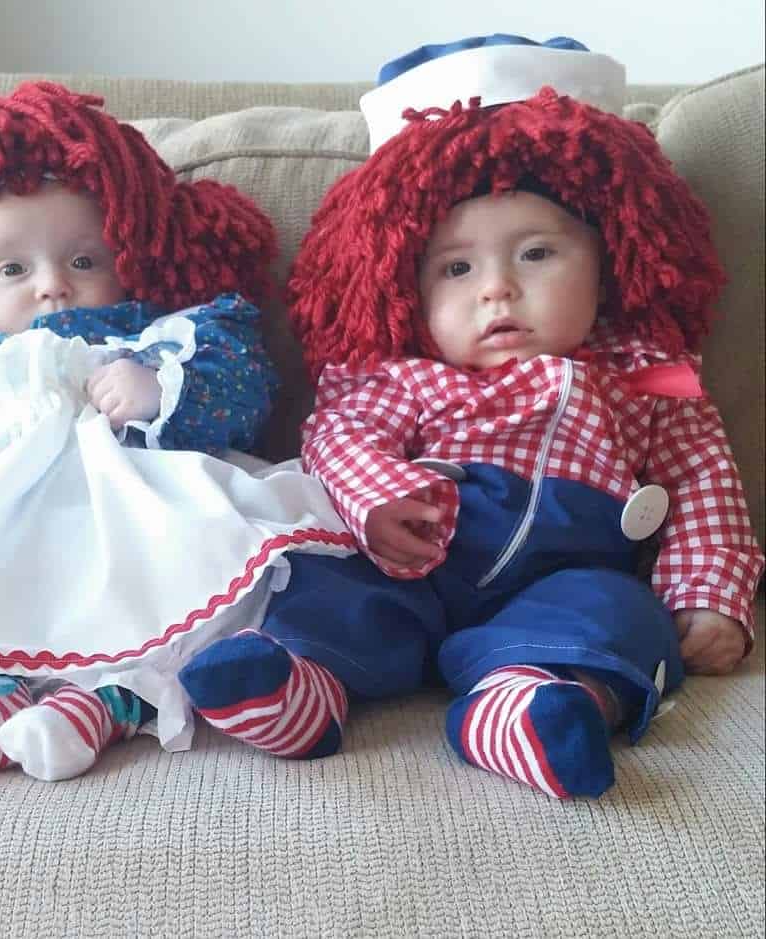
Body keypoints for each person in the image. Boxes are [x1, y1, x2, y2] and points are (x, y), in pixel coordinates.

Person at [177, 39, 765, 798]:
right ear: (410, 285)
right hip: (418, 550)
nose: (497, 291)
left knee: (622, 618)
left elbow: (702, 481)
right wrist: (377, 494)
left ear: (605, 260)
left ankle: (525, 711)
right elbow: (338, 435)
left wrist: (710, 595)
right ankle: (296, 685)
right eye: (457, 268)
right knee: (326, 591)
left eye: (537, 253)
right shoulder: (402, 371)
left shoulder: (651, 371)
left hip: (572, 571)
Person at [0, 82, 352, 783]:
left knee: (172, 610)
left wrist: (160, 389)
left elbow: (241, 380)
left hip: (139, 531)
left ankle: (105, 706)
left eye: (84, 260)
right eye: (13, 268)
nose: (54, 285)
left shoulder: (159, 334)